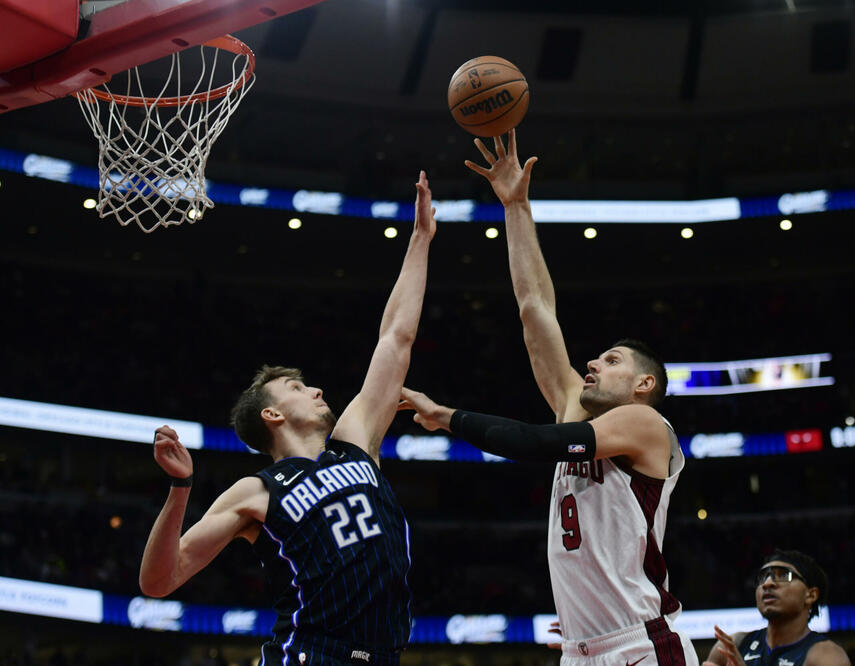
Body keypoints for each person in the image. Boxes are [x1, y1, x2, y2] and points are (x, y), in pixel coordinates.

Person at [400, 129, 698, 665]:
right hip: (580, 651)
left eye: (611, 361)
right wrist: (516, 206)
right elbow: (535, 306)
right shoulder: (575, 405)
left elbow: (532, 442)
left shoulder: (646, 426)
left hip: (641, 645)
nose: (591, 363)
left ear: (644, 385)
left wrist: (450, 417)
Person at [138, 171, 437, 666]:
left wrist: (421, 240)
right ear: (272, 414)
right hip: (307, 655)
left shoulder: (355, 441)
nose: (317, 389)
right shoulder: (257, 491)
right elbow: (158, 581)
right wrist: (180, 489)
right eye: (298, 388)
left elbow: (396, 338)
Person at [703, 550, 851, 666]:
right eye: (763, 577)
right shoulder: (732, 646)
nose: (767, 583)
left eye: (785, 575)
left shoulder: (826, 656)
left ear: (810, 595)